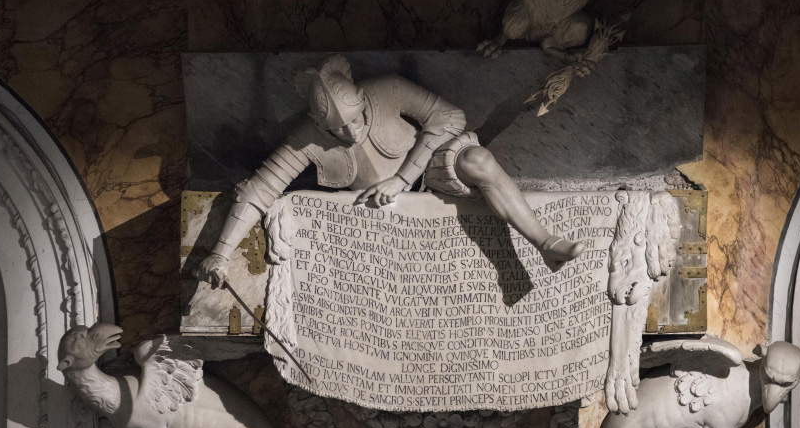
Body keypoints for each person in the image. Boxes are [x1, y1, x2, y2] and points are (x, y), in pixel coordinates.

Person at [197, 55, 587, 287]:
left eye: (356, 119)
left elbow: (450, 117)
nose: (352, 131)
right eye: (338, 129)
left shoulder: (386, 89)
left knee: (478, 159)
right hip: (375, 210)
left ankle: (546, 244)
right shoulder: (305, 137)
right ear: (320, 124)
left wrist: (401, 179)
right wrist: (219, 253)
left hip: (424, 170)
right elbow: (260, 191)